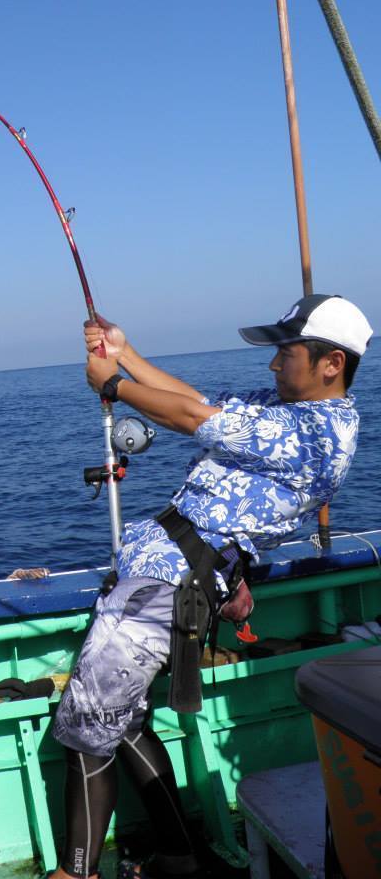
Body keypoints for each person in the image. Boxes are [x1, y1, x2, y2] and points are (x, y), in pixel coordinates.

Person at [50, 293, 373, 879]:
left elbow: (191, 420)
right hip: (166, 573)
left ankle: (75, 873)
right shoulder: (287, 409)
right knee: (120, 720)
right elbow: (197, 402)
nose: (273, 365)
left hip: (168, 581)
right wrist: (126, 355)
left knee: (90, 729)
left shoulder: (316, 433)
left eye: (286, 353)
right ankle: (178, 855)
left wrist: (112, 388)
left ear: (331, 363)